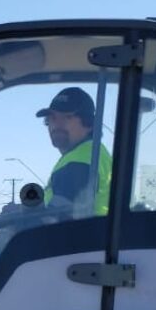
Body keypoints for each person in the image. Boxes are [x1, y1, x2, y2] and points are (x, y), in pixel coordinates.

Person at [36, 87, 112, 215]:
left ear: (89, 124)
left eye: (67, 117)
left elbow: (57, 220)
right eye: (52, 118)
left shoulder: (80, 161)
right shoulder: (94, 153)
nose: (56, 125)